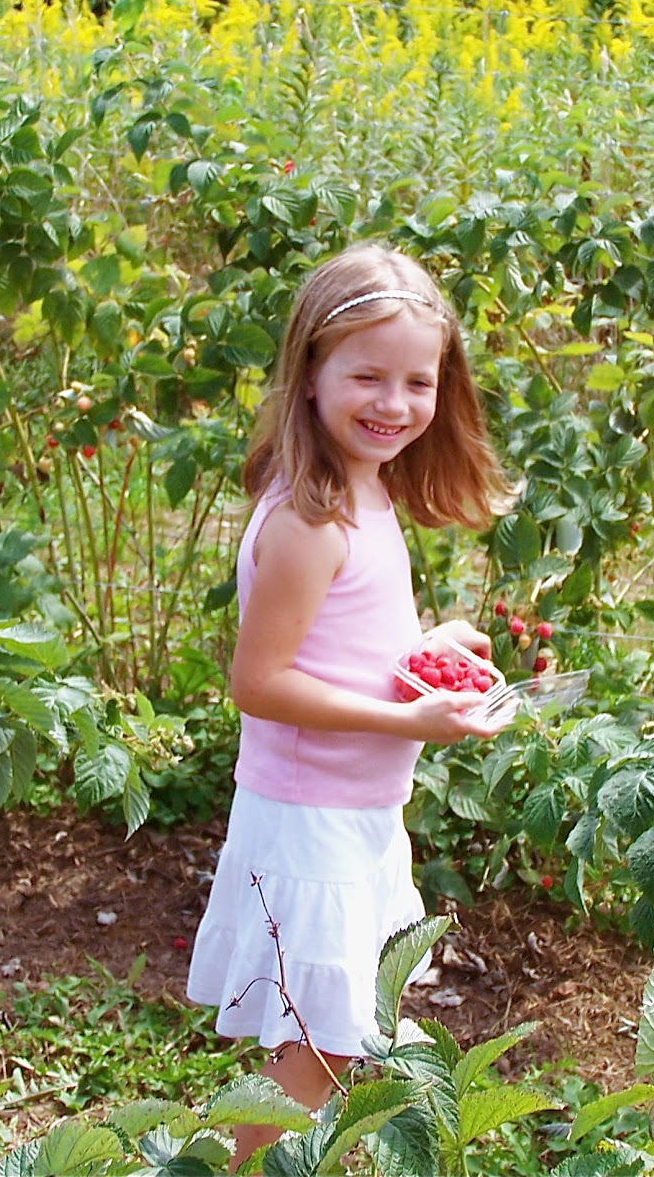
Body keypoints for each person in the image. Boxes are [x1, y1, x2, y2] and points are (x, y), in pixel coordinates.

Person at [186, 243, 513, 1168]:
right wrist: (411, 719)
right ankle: (243, 1165)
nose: (395, 404)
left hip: (358, 815)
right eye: (367, 376)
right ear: (311, 374)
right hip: (309, 823)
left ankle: (248, 1161)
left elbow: (344, 647)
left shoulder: (364, 492)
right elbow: (261, 683)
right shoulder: (307, 520)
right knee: (319, 1045)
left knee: (330, 1038)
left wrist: (424, 650)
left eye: (420, 381)